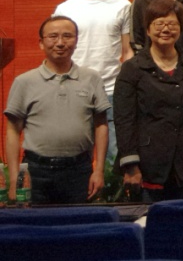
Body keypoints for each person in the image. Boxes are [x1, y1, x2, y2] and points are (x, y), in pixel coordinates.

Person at [5, 16, 108, 204]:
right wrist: (15, 179)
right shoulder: (24, 82)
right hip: (35, 172)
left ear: (76, 41)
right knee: (35, 222)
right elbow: (12, 131)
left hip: (79, 171)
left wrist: (99, 170)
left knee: (77, 222)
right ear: (41, 43)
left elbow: (101, 125)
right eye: (53, 36)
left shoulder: (91, 78)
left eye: (67, 36)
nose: (60, 43)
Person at [114, 0, 183, 201]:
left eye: (172, 24)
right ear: (148, 29)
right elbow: (124, 119)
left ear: (181, 28)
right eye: (159, 23)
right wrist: (131, 165)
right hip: (148, 165)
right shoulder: (132, 68)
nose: (166, 29)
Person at [54, 0, 132, 163]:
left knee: (114, 157)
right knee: (76, 155)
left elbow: (128, 51)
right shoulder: (65, 9)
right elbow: (56, 54)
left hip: (111, 89)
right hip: (74, 88)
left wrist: (125, 85)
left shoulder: (123, 5)